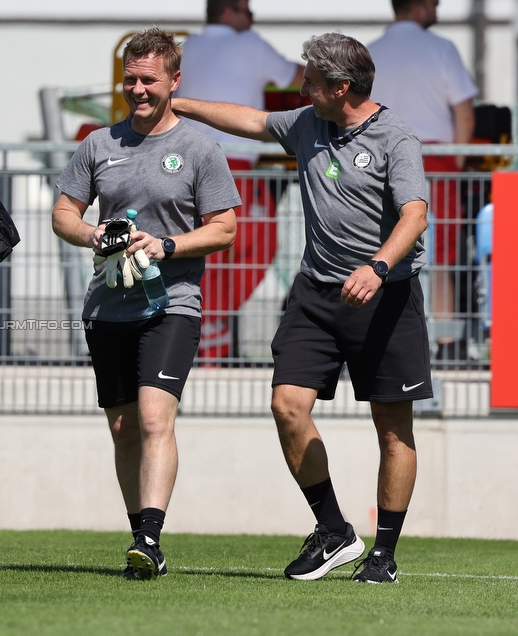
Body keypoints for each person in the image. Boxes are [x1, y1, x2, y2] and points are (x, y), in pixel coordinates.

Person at [173, 32, 431, 583]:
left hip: (385, 295)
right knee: (287, 404)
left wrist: (378, 266)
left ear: (341, 88)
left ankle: (383, 554)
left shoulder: (396, 137)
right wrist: (179, 103)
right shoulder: (308, 123)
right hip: (315, 294)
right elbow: (249, 121)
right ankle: (334, 529)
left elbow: (415, 216)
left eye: (311, 81)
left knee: (392, 428)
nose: (301, 87)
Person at [52, 27, 240, 579]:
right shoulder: (98, 145)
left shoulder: (200, 147)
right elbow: (63, 214)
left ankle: (151, 537)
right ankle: (140, 536)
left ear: (174, 81)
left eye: (149, 80)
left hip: (172, 302)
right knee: (123, 428)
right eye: (129, 80)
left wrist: (166, 244)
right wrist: (95, 235)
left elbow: (225, 228)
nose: (137, 89)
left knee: (156, 416)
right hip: (107, 305)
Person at [176, 0, 304, 360]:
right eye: (248, 10)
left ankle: (203, 329)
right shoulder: (248, 45)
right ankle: (210, 321)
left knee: (201, 251)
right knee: (257, 245)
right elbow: (300, 78)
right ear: (230, 12)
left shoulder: (186, 48)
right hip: (231, 166)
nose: (253, 18)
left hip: (184, 165)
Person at [368, 0, 478, 363]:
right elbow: (464, 113)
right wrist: (457, 163)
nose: (438, 8)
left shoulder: (370, 52)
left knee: (380, 249)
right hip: (436, 160)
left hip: (379, 158)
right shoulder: (442, 49)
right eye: (433, 3)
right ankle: (446, 345)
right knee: (443, 255)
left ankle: (374, 338)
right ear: (417, 7)